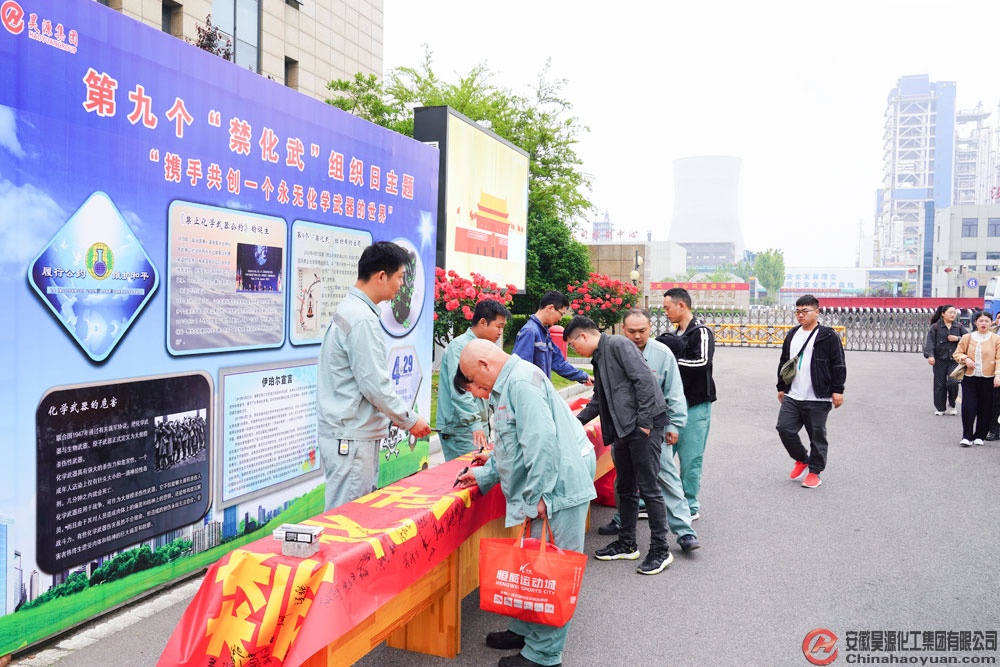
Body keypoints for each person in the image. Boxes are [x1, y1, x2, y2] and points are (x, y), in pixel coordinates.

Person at [454, 339, 596, 667]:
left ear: (484, 366)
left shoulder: (519, 383)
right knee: (533, 561)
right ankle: (525, 630)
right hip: (551, 479)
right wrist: (485, 475)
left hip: (558, 482)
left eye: (473, 380)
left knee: (552, 569)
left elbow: (540, 443)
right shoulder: (512, 382)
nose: (477, 389)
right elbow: (511, 444)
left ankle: (544, 655)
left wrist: (540, 495)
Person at [316, 241, 431, 511]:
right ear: (381, 276)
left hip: (350, 434)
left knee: (351, 513)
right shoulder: (362, 320)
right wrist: (410, 420)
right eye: (400, 277)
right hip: (352, 437)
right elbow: (375, 386)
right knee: (348, 517)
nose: (402, 285)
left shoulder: (353, 310)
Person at [565, 315, 674, 575]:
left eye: (572, 344)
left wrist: (645, 423)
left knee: (648, 488)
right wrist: (573, 423)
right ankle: (627, 543)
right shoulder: (600, 356)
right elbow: (599, 399)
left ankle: (661, 549)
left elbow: (645, 382)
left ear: (583, 336)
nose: (574, 350)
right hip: (624, 429)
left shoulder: (619, 345)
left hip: (643, 427)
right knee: (624, 487)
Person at [655, 287, 716, 519]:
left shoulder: (701, 332)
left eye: (667, 308)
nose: (666, 312)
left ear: (682, 305)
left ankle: (689, 505)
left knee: (691, 460)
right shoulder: (673, 334)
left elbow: (702, 362)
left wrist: (671, 361)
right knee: (661, 457)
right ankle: (656, 501)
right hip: (671, 407)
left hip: (695, 406)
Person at [775, 294, 847, 488]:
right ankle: (802, 459)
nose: (801, 315)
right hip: (793, 394)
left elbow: (838, 363)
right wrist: (781, 386)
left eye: (805, 311)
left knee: (817, 436)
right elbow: (784, 362)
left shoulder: (828, 336)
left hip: (818, 396)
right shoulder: (792, 334)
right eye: (797, 311)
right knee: (784, 428)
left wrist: (838, 390)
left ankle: (814, 472)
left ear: (817, 312)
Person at [437, 299, 510, 460]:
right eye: (498, 327)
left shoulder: (484, 347)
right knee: (465, 472)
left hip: (478, 425)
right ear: (483, 322)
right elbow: (460, 390)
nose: (500, 332)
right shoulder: (460, 347)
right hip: (462, 429)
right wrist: (474, 423)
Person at [511, 291, 593, 386]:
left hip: (541, 390)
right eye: (561, 314)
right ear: (550, 308)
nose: (560, 319)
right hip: (531, 391)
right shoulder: (530, 331)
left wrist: (584, 377)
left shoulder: (544, 333)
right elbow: (520, 369)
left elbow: (559, 363)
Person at [952, 310, 1000, 447]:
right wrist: (965, 359)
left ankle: (980, 435)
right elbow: (957, 353)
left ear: (991, 323)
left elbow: (999, 358)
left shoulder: (996, 339)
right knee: (968, 406)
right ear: (975, 322)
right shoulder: (967, 337)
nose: (983, 324)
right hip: (970, 377)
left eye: (986, 321)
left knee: (986, 407)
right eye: (981, 321)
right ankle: (967, 436)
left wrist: (998, 375)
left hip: (989, 378)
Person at [922, 304, 965, 416]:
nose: (952, 315)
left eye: (954, 312)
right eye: (950, 312)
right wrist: (930, 355)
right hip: (940, 360)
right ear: (943, 314)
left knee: (953, 382)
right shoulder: (935, 327)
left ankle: (952, 404)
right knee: (939, 384)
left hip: (955, 360)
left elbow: (968, 339)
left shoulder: (959, 327)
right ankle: (940, 407)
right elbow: (930, 342)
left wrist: (958, 338)